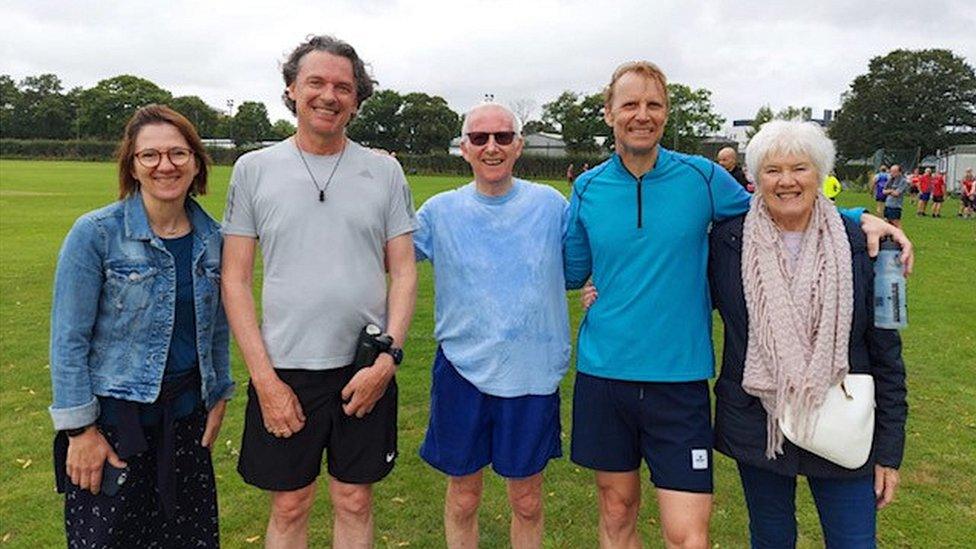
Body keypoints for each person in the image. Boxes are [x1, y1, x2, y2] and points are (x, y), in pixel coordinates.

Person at [563, 61, 913, 549]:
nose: (642, 115)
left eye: (653, 105)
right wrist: (597, 286)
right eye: (630, 104)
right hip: (607, 374)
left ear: (667, 114)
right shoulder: (586, 188)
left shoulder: (703, 177)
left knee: (690, 536)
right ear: (608, 113)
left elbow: (775, 202)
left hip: (682, 381)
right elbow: (571, 269)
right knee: (617, 510)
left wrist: (860, 218)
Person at [221, 35, 417, 549]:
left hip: (365, 366)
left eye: (343, 86)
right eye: (316, 82)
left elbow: (405, 271)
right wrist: (264, 380)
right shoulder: (253, 169)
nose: (329, 95)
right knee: (290, 505)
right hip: (285, 368)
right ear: (291, 89)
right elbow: (235, 278)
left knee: (355, 500)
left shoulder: (385, 170)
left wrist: (388, 360)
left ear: (357, 98)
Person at [709, 120, 907, 548]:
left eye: (799, 168)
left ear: (821, 173)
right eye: (772, 170)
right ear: (755, 178)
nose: (786, 182)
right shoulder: (727, 242)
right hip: (759, 421)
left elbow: (889, 354)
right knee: (770, 536)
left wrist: (890, 450)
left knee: (854, 541)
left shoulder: (873, 248)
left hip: (844, 419)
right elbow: (675, 297)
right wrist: (602, 288)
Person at [49, 104, 233, 547]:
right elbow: (68, 340)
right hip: (112, 428)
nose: (164, 165)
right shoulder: (94, 234)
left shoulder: (215, 239)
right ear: (132, 165)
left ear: (196, 162)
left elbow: (219, 331)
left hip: (186, 424)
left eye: (178, 153)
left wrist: (219, 394)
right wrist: (80, 431)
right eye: (149, 156)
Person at [414, 102, 569, 549]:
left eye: (502, 137)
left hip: (532, 371)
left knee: (526, 500)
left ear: (518, 145)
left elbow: (586, 259)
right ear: (464, 148)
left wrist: (596, 286)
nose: (492, 147)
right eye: (480, 138)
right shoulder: (439, 211)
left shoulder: (548, 204)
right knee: (463, 498)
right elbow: (388, 255)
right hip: (462, 370)